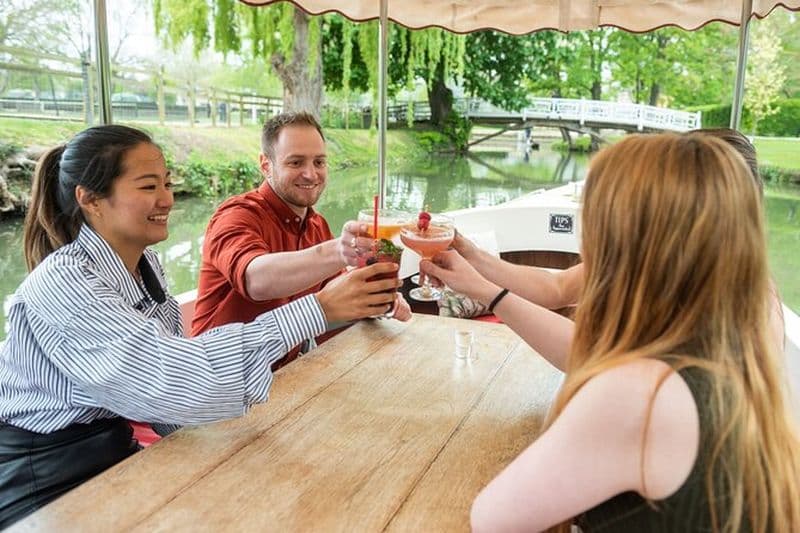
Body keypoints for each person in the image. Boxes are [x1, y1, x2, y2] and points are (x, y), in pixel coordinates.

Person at [0, 125, 401, 528]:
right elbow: (173, 379)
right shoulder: (64, 285)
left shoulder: (146, 266)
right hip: (46, 482)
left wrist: (247, 446)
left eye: (168, 183)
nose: (167, 199)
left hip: (117, 451)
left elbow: (170, 407)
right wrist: (319, 308)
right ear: (89, 200)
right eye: (147, 187)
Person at [422, 133, 800, 531]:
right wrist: (479, 266)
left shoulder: (643, 393)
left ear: (630, 240)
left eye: (597, 216)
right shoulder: (719, 350)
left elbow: (493, 519)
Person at [447, 128, 785, 355]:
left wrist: (488, 294)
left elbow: (591, 357)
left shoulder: (750, 302)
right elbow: (557, 288)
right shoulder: (662, 253)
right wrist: (474, 256)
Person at [191, 112, 410, 365]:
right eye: (295, 163)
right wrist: (339, 250)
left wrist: (381, 302)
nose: (310, 174)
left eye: (319, 162)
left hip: (286, 377)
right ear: (266, 165)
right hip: (220, 384)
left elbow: (339, 301)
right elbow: (255, 280)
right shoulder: (236, 215)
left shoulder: (317, 225)